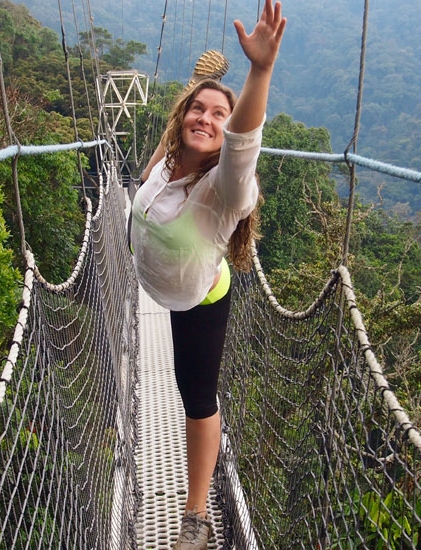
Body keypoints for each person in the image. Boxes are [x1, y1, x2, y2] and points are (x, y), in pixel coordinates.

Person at [130, 1, 286, 548]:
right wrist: (194, 89)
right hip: (158, 282)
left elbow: (242, 147)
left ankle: (196, 516)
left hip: (199, 294)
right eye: (198, 110)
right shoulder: (166, 163)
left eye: (220, 115)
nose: (206, 118)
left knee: (195, 396)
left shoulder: (225, 188)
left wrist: (259, 70)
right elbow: (164, 149)